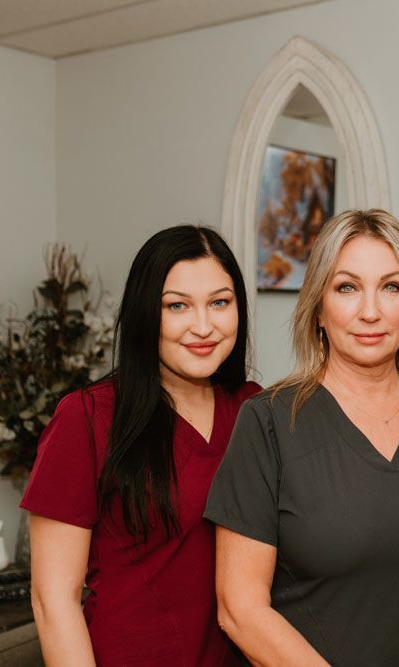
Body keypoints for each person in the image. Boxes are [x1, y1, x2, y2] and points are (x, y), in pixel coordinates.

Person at [205, 209, 399, 667]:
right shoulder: (268, 422)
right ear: (318, 310)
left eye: (391, 287)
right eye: (346, 287)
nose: (370, 311)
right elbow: (240, 610)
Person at [22, 225, 260, 666]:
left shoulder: (254, 409)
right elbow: (52, 599)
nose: (203, 326)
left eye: (219, 302)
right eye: (177, 306)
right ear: (144, 313)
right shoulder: (87, 417)